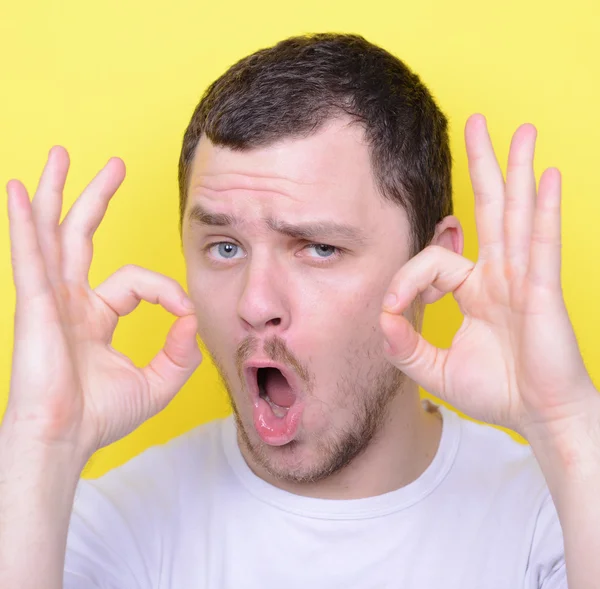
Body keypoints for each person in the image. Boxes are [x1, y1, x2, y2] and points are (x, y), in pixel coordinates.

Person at [1, 32, 598, 589]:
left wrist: (566, 423)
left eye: (319, 248)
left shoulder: (557, 515)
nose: (255, 304)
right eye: (225, 248)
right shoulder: (104, 529)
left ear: (430, 268)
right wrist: (41, 445)